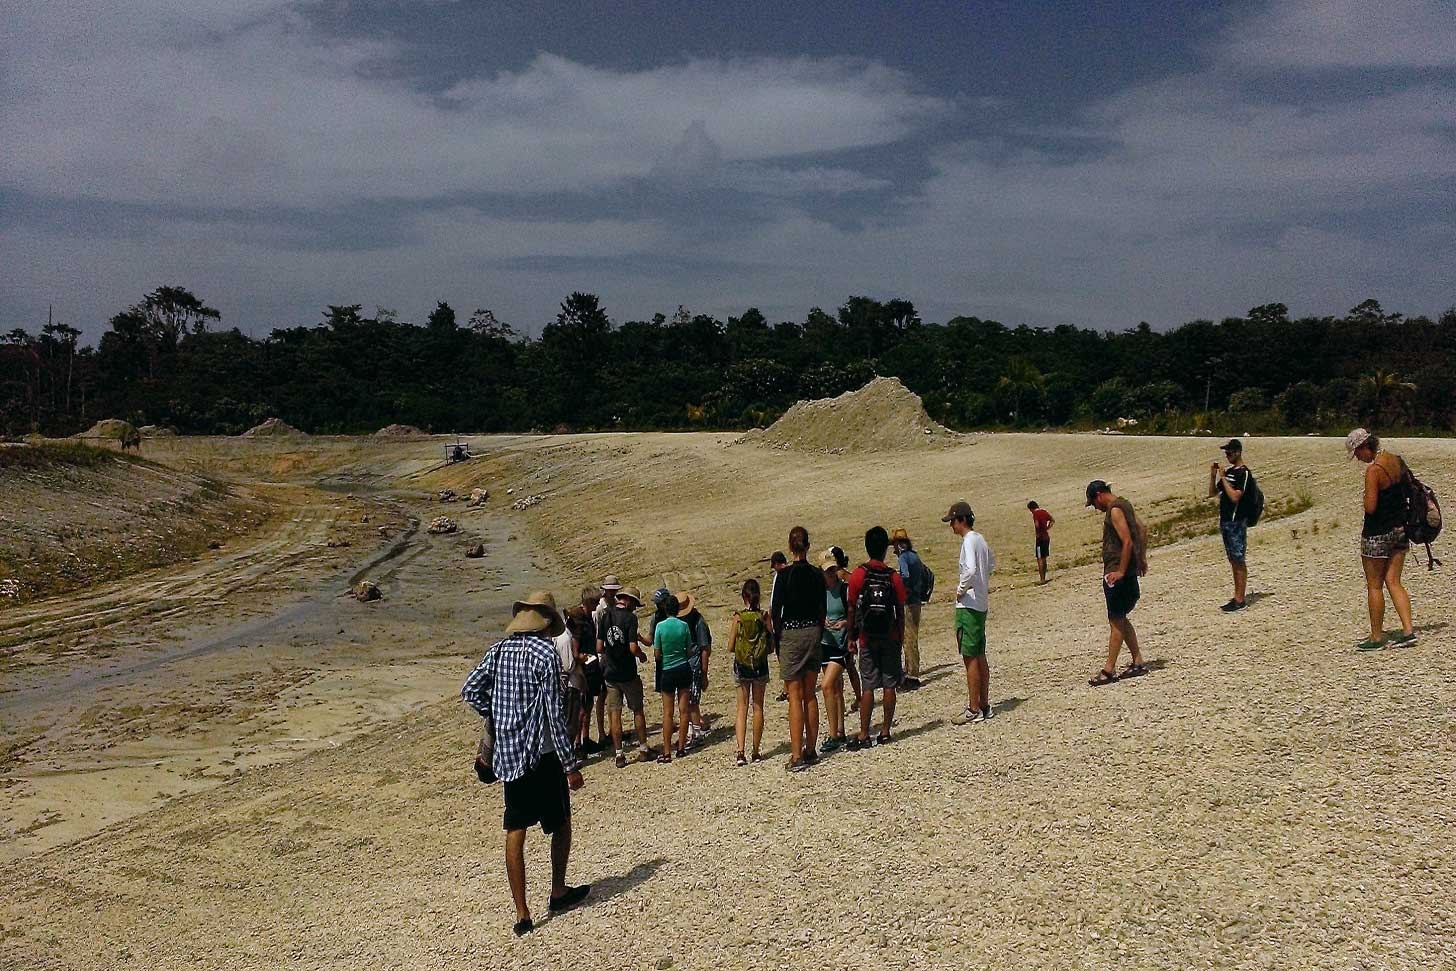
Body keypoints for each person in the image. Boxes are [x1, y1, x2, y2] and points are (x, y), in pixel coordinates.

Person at [461, 591, 588, 936]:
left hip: (509, 756)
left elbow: (470, 690)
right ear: (547, 623)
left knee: (515, 830)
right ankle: (558, 890)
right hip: (542, 755)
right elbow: (553, 712)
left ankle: (522, 913)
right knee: (560, 822)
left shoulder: (498, 651)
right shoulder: (545, 654)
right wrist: (570, 764)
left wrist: (497, 713)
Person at [1347, 428, 1417, 649]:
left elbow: (1371, 506)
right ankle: (1408, 630)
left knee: (1374, 586)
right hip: (1400, 528)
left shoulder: (1374, 470)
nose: (1358, 458)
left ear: (1364, 447)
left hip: (1378, 533)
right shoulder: (1395, 459)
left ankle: (1376, 637)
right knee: (1394, 581)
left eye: (1357, 453)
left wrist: (1365, 497)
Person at [846, 526, 907, 749]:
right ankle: (885, 731)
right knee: (890, 683)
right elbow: (900, 610)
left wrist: (851, 637)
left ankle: (863, 733)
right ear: (885, 549)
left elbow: (852, 608)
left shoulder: (858, 575)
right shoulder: (893, 577)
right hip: (889, 636)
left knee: (868, 685)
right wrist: (900, 635)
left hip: (867, 637)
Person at [770, 526, 825, 772]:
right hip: (813, 630)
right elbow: (822, 608)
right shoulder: (816, 574)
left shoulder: (783, 576)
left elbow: (775, 612)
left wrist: (778, 640)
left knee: (794, 696)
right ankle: (811, 749)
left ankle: (796, 755)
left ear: (790, 547)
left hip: (791, 633)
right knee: (810, 694)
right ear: (808, 545)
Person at [1086, 480, 1148, 685]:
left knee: (1115, 621)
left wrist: (1120, 570)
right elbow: (1142, 528)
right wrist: (1141, 559)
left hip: (1117, 573)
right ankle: (1137, 661)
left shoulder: (1114, 510)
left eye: (1093, 503)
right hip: (1127, 570)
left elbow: (1128, 540)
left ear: (1099, 495)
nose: (1096, 508)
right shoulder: (1125, 504)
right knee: (1121, 618)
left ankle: (1108, 670)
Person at [943, 501, 996, 725]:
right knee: (979, 654)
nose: (951, 526)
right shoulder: (980, 539)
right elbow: (990, 562)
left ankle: (974, 707)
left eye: (953, 521)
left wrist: (960, 590)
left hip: (969, 605)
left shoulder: (968, 541)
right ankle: (984, 704)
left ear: (961, 520)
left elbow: (971, 569)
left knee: (970, 657)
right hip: (981, 603)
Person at [598, 586, 652, 767]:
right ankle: (643, 749)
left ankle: (619, 754)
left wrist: (611, 653)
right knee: (637, 709)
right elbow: (632, 647)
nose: (635, 608)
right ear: (628, 601)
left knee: (615, 713)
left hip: (610, 673)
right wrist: (642, 656)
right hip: (627, 672)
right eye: (635, 604)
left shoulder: (605, 615)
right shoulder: (630, 618)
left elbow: (599, 647)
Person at [726, 578, 771, 765]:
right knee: (758, 706)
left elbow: (730, 646)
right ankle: (756, 751)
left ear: (743, 596)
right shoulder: (764, 616)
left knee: (741, 708)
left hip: (742, 665)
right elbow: (771, 647)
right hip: (760, 665)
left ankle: (740, 751)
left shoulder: (738, 618)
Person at [1208, 439, 1251, 611]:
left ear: (1238, 452)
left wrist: (1224, 478)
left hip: (1236, 521)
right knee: (1233, 559)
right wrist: (1214, 476)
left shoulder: (1243, 473)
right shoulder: (1231, 472)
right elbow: (1212, 493)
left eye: (1230, 452)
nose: (1227, 455)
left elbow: (1235, 496)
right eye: (1226, 453)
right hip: (1226, 521)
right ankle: (1237, 596)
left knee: (1238, 559)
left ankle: (1240, 599)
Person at [653, 594, 694, 762]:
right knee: (684, 710)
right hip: (683, 667)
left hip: (668, 669)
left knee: (667, 713)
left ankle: (667, 751)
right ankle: (682, 747)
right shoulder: (684, 626)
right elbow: (689, 650)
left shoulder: (660, 627)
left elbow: (657, 654)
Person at [817, 551, 851, 752]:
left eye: (833, 570)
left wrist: (844, 623)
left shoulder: (844, 589)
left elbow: (854, 614)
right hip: (824, 643)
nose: (831, 574)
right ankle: (840, 729)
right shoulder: (819, 592)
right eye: (827, 571)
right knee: (836, 687)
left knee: (827, 686)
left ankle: (832, 734)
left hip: (841, 644)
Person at [890, 528, 929, 690]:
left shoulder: (904, 558)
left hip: (908, 601)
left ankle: (912, 674)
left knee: (908, 639)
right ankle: (910, 670)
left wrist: (896, 584)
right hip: (917, 600)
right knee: (912, 636)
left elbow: (904, 576)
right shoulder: (914, 556)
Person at [564, 587, 602, 752]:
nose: (597, 604)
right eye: (595, 601)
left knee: (587, 705)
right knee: (581, 708)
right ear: (588, 602)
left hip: (590, 666)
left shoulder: (585, 617)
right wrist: (582, 658)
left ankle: (585, 739)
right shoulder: (578, 619)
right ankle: (578, 743)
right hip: (583, 669)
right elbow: (575, 650)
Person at [676, 592, 712, 746]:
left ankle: (697, 734)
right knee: (687, 701)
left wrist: (704, 673)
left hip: (694, 666)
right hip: (685, 665)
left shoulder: (698, 622)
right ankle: (693, 731)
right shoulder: (687, 622)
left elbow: (705, 648)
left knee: (692, 702)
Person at [590, 575, 622, 743]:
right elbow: (597, 633)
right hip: (602, 654)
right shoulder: (600, 609)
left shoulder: (612, 604)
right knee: (603, 695)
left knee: (610, 693)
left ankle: (611, 730)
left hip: (609, 652)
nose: (612, 593)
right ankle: (602, 732)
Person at [767, 551, 789, 702]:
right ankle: (787, 688)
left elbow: (777, 601)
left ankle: (787, 689)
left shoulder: (781, 575)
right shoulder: (782, 574)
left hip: (782, 621)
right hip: (781, 620)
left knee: (784, 657)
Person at [1027, 501, 1055, 584]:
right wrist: (1047, 528)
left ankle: (1042, 579)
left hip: (1040, 539)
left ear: (1031, 508)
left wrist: (1038, 533)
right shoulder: (1044, 512)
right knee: (1044, 557)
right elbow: (1052, 520)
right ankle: (1044, 577)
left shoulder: (1035, 514)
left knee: (1039, 558)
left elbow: (1037, 524)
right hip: (1046, 537)